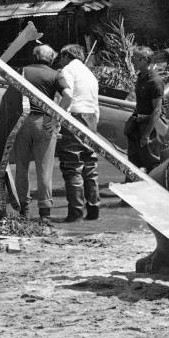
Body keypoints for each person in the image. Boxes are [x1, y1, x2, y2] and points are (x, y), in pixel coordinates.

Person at [7, 44, 67, 221]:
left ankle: (23, 210)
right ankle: (45, 214)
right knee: (44, 169)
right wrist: (56, 119)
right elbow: (69, 96)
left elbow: (11, 97)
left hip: (22, 121)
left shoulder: (22, 71)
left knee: (21, 167)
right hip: (45, 123)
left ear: (34, 56)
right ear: (52, 58)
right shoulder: (56, 75)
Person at [56, 44, 101, 222]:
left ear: (67, 55)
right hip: (91, 118)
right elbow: (96, 104)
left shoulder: (67, 70)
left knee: (72, 165)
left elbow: (67, 97)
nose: (59, 60)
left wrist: (59, 120)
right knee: (90, 165)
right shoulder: (90, 74)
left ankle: (75, 213)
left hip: (74, 116)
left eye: (61, 56)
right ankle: (94, 210)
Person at [124, 45, 169, 171]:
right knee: (133, 162)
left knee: (152, 163)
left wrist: (146, 135)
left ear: (144, 60)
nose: (132, 60)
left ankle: (155, 189)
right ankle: (131, 189)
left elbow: (157, 110)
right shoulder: (140, 78)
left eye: (135, 58)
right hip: (138, 124)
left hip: (151, 127)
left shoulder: (155, 81)